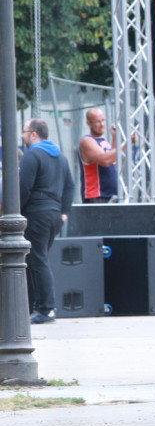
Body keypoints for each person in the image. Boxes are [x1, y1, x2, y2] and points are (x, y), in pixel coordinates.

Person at [20, 119, 75, 324]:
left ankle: (45, 309)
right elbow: (70, 186)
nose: (22, 136)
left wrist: (15, 212)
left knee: (37, 259)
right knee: (36, 260)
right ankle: (34, 307)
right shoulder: (60, 157)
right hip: (53, 215)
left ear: (34, 134)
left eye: (24, 131)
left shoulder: (32, 154)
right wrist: (64, 213)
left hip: (36, 214)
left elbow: (23, 187)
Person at [78, 108, 120, 203]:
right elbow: (104, 161)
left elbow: (113, 161)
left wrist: (115, 138)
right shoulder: (87, 141)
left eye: (103, 120)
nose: (102, 125)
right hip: (97, 196)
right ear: (88, 123)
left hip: (111, 194)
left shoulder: (104, 141)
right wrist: (126, 145)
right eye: (97, 122)